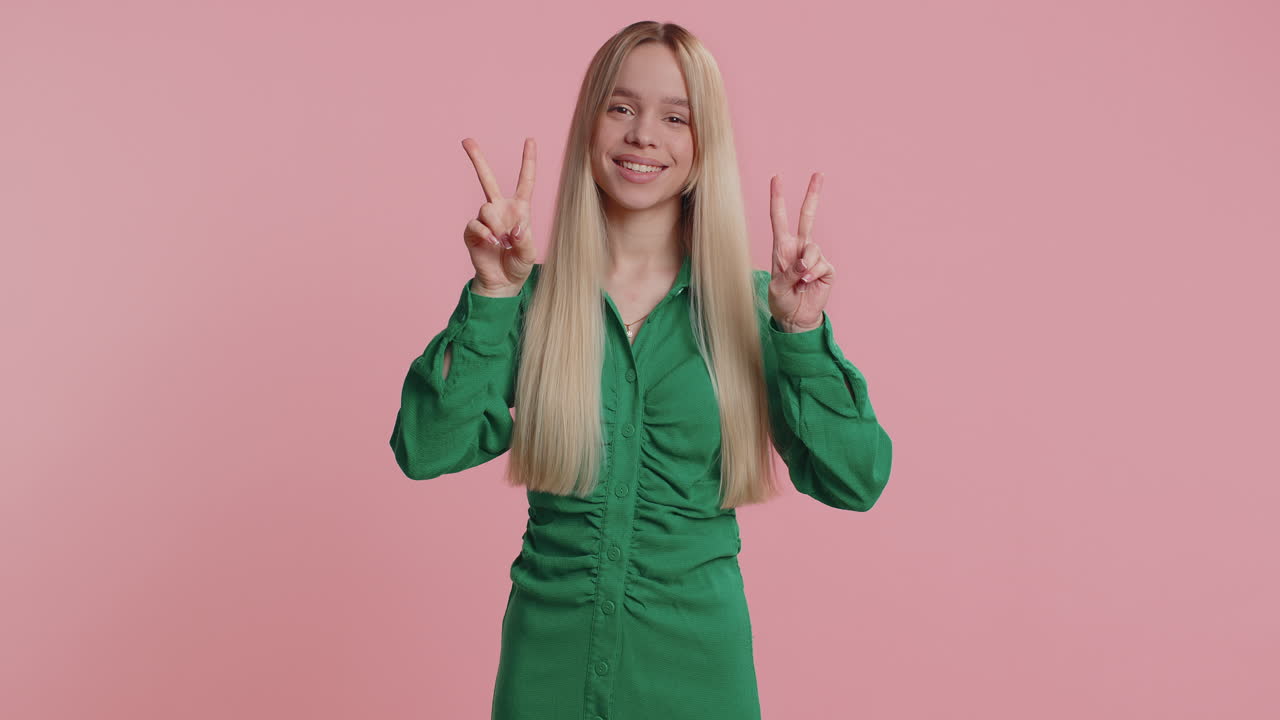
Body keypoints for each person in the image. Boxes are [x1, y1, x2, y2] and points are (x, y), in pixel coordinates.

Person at [389, 20, 893, 720]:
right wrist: (494, 297)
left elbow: (857, 478)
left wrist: (802, 334)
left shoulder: (757, 310)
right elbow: (423, 448)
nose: (643, 135)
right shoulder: (531, 300)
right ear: (590, 124)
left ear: (703, 143)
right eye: (621, 108)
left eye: (675, 116)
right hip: (547, 677)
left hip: (699, 681)